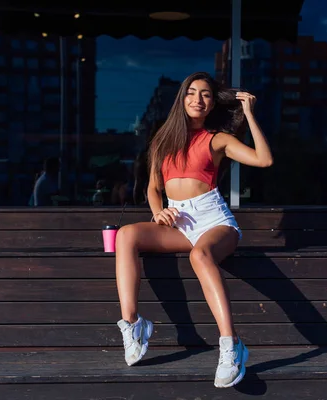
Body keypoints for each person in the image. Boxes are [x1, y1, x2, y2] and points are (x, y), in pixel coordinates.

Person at [115, 72, 273, 388]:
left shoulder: (217, 139)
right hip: (180, 222)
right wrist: (158, 212)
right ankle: (133, 325)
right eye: (191, 92)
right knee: (126, 234)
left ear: (213, 103)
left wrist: (251, 116)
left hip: (215, 221)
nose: (197, 99)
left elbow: (264, 159)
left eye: (205, 95)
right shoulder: (163, 139)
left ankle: (231, 346)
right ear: (182, 98)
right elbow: (152, 188)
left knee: (201, 255)